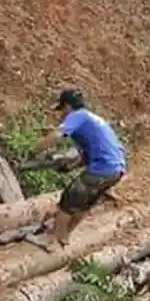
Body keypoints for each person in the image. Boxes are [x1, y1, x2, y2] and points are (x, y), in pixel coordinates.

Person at [30, 88, 127, 250]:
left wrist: (32, 151)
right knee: (83, 203)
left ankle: (52, 239)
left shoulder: (77, 116)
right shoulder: (92, 119)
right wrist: (71, 166)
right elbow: (90, 154)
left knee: (69, 197)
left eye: (61, 110)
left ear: (68, 106)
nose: (61, 115)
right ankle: (64, 236)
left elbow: (56, 135)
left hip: (103, 168)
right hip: (116, 169)